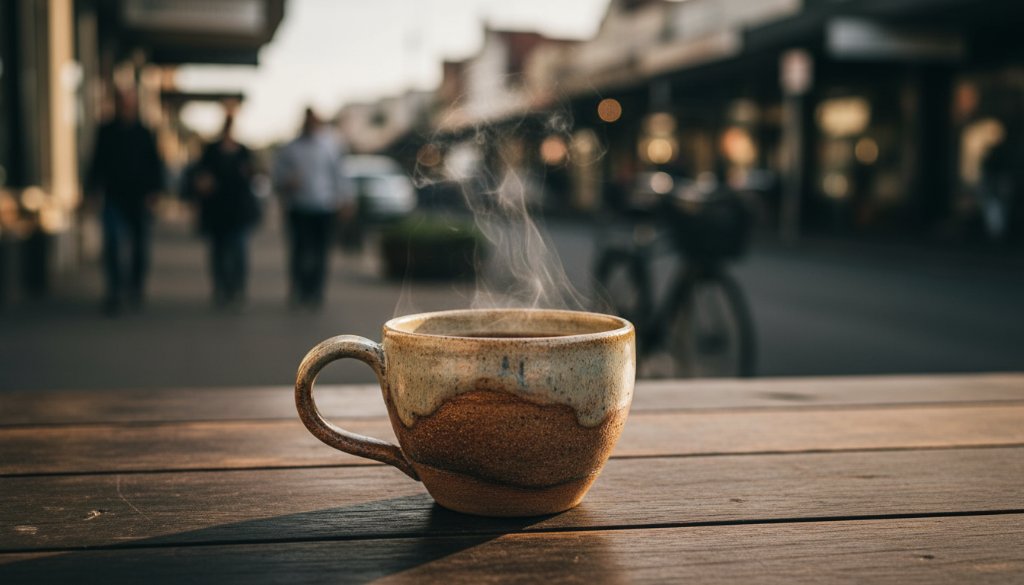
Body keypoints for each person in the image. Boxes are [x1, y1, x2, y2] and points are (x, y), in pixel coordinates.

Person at [86, 90, 164, 315]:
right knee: (112, 242)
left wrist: (154, 192)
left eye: (129, 103)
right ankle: (115, 290)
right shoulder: (106, 131)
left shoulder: (144, 133)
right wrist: (91, 190)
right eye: (122, 103)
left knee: (139, 245)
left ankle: (136, 286)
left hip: (138, 198)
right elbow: (97, 162)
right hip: (113, 196)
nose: (125, 107)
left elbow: (154, 164)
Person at [273, 108, 353, 309]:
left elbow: (339, 174)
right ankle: (298, 290)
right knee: (299, 252)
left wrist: (345, 199)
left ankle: (315, 292)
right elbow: (277, 176)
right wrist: (286, 183)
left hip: (324, 207)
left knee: (321, 252)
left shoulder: (330, 146)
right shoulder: (291, 148)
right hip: (299, 207)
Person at [194, 113, 261, 309]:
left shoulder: (243, 152)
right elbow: (199, 176)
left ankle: (236, 287)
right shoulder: (211, 151)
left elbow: (253, 175)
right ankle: (221, 287)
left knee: (239, 250)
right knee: (218, 252)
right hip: (217, 211)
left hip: (238, 211)